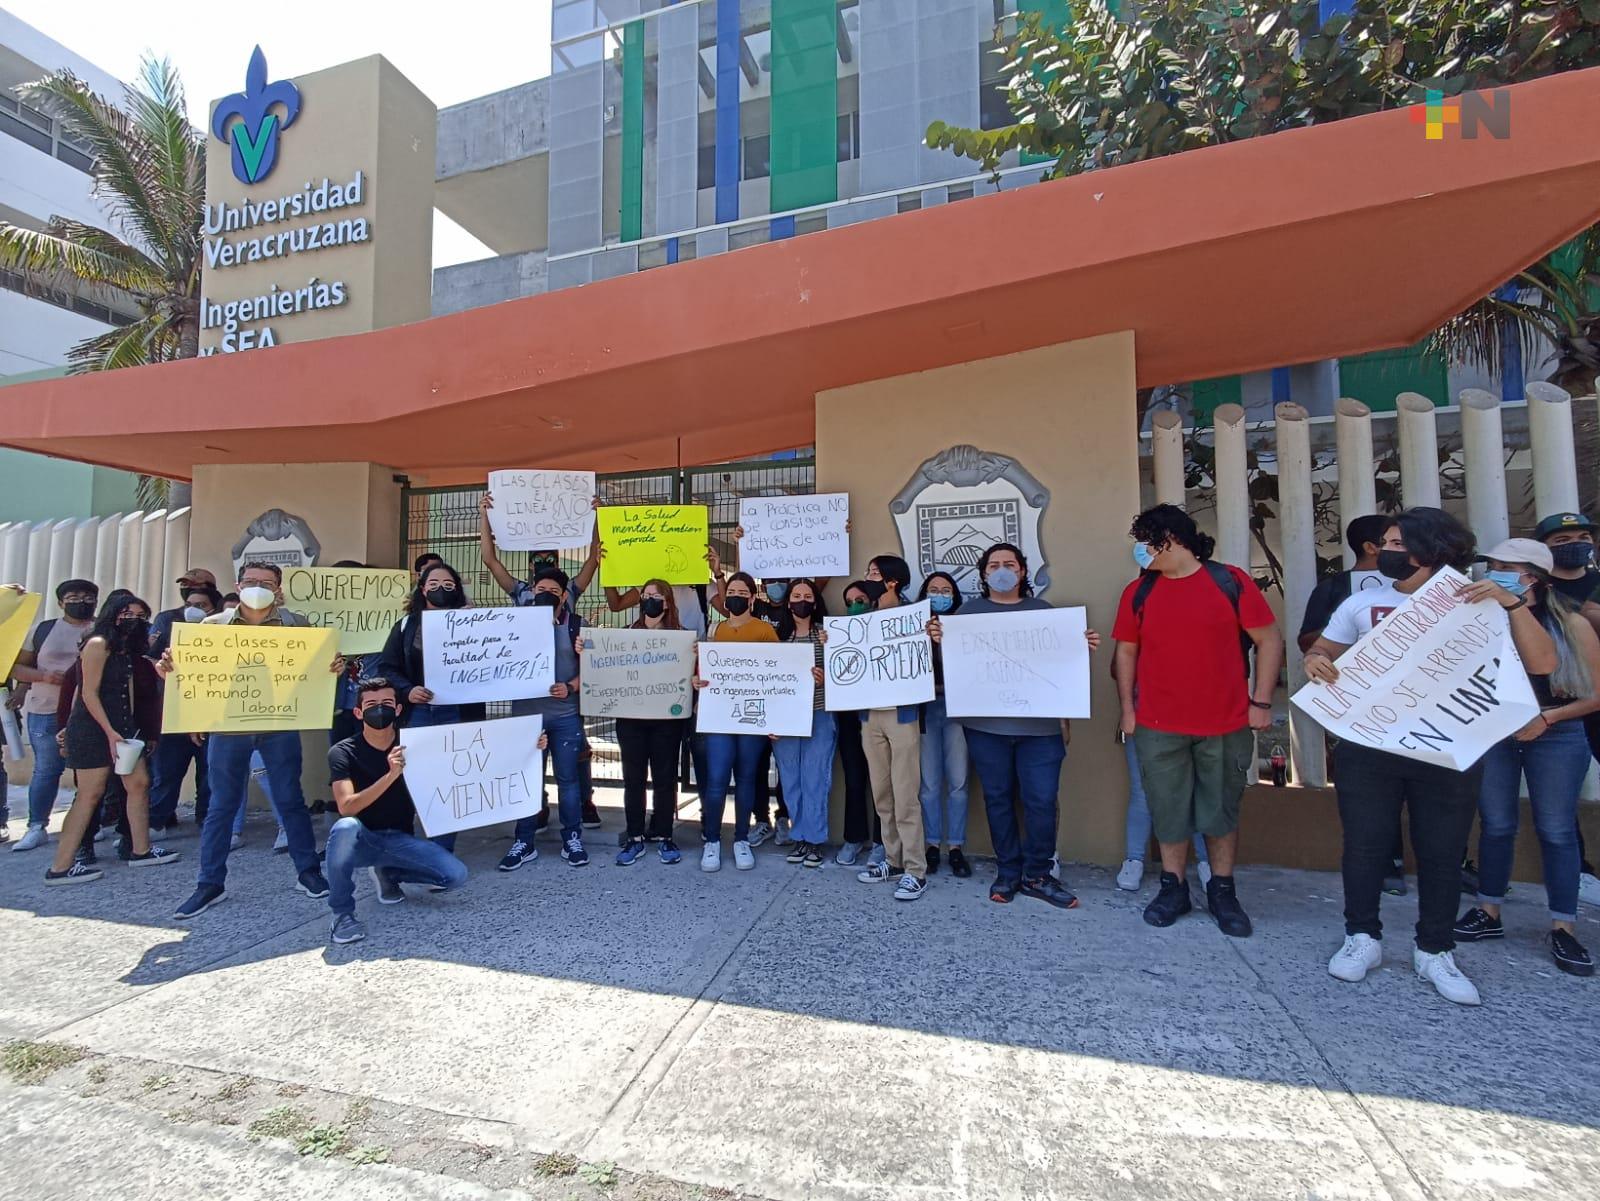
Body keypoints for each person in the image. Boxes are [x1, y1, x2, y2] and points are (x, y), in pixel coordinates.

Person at [1305, 508, 1557, 1006]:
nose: (1388, 551)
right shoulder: (1364, 602)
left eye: (1398, 543)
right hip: (1369, 745)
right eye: (1387, 542)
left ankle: (1435, 949)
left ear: (1431, 549)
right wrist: (1315, 660)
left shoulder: (1481, 605)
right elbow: (1323, 651)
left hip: (1447, 747)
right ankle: (1362, 938)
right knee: (1365, 845)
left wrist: (1512, 605)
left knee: (1442, 851)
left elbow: (1544, 662)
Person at [1113, 507, 1281, 938]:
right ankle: (1174, 888)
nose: (1142, 550)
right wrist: (1128, 712)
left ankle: (1223, 892)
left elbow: (1268, 640)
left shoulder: (1230, 582)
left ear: (1171, 539)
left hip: (1224, 723)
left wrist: (1260, 701)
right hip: (1157, 724)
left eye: (1147, 540)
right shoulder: (1138, 592)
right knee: (1168, 810)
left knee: (1220, 810)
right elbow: (1126, 652)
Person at [1451, 539, 1599, 976]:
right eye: (1491, 565)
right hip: (1497, 733)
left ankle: (1564, 926)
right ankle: (1489, 911)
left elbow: (1595, 695)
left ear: (1532, 577)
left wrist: (1548, 720)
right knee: (1496, 824)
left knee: (1556, 829)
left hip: (1558, 733)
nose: (1492, 572)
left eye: (1504, 566)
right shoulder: (1480, 618)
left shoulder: (1572, 623)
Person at [932, 544, 1100, 908]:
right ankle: (1008, 872)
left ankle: (1038, 874)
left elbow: (1061, 670)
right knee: (998, 800)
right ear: (983, 574)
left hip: (1040, 732)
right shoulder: (967, 614)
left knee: (1040, 801)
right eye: (994, 565)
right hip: (986, 729)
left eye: (1009, 564)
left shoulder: (1044, 613)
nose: (1002, 570)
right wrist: (938, 641)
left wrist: (1078, 646)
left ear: (1023, 572)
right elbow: (954, 668)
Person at [169, 562, 339, 920]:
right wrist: (173, 670)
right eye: (251, 581)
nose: (258, 587)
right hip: (228, 728)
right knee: (221, 807)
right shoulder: (212, 627)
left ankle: (308, 872)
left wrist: (332, 666)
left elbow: (315, 669)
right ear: (238, 585)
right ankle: (209, 883)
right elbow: (195, 671)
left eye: (266, 583)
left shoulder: (297, 626)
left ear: (278, 589)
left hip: (279, 725)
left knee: (291, 799)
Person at [1296, 515, 1408, 896]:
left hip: (1417, 703)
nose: (1401, 549)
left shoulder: (1428, 590)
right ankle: (1383, 862)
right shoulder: (1336, 589)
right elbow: (1308, 639)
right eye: (1392, 542)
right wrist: (1347, 634)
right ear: (1371, 547)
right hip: (1355, 705)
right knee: (1370, 791)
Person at [480, 493, 605, 831]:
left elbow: (593, 560)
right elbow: (491, 561)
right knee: (529, 762)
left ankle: (581, 805)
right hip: (528, 701)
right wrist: (486, 516)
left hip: (565, 692)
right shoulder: (522, 594)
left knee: (575, 753)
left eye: (550, 560)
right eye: (538, 565)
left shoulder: (571, 595)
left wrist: (597, 518)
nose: (544, 585)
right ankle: (534, 812)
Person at [323, 678, 472, 945]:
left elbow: (468, 761)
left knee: (455, 876)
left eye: (387, 704)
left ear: (399, 709)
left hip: (400, 839)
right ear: (358, 712)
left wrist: (530, 745)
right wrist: (392, 775)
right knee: (344, 828)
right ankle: (342, 915)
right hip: (362, 838)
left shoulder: (416, 744)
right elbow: (347, 807)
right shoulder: (343, 752)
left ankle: (389, 873)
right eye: (371, 705)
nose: (379, 709)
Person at [44, 594, 179, 883]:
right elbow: (88, 693)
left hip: (124, 727)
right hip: (93, 728)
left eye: (140, 615)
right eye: (127, 613)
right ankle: (60, 866)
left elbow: (135, 687)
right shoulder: (97, 644)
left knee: (139, 784)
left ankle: (140, 850)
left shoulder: (126, 652)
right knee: (90, 794)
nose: (133, 619)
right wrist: (109, 733)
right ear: (112, 614)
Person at [1113, 544, 1210, 893]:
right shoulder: (1136, 600)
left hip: (1197, 717)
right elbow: (1119, 664)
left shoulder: (1208, 599)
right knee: (1144, 792)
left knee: (1195, 792)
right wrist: (1128, 710)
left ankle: (1206, 864)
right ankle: (1135, 859)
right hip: (1145, 717)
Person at [590, 579, 686, 866]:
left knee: (665, 779)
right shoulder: (625, 636)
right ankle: (634, 837)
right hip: (631, 720)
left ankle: (664, 836)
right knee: (633, 780)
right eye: (645, 595)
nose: (650, 600)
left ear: (667, 602)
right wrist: (587, 648)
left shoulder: (681, 637)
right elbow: (602, 660)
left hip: (666, 720)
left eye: (656, 596)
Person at [1532, 511, 1600, 908]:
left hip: (1594, 698)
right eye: (1561, 540)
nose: (1573, 544)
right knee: (1559, 798)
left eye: (1580, 536)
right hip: (1556, 708)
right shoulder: (1537, 590)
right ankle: (1579, 869)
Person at [854, 555, 928, 902]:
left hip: (902, 716)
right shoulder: (860, 620)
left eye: (873, 574)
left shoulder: (916, 617)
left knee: (905, 794)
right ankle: (893, 860)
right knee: (882, 794)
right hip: (870, 716)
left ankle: (916, 869)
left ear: (892, 582)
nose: (867, 579)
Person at [692, 572, 777, 872]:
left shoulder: (765, 631)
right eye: (733, 591)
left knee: (746, 779)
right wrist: (696, 680)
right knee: (716, 781)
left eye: (743, 592)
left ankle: (741, 838)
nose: (737, 596)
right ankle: (712, 841)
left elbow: (779, 675)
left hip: (752, 719)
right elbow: (702, 674)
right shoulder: (714, 632)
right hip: (719, 717)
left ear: (752, 598)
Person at [8, 578, 98, 853]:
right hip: (46, 708)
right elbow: (16, 668)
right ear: (60, 602)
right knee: (47, 769)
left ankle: (86, 827)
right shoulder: (42, 630)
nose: (80, 601)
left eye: (86, 596)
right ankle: (37, 826)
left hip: (89, 709)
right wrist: (43, 677)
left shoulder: (102, 629)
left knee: (89, 772)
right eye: (72, 596)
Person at [146, 583, 225, 837]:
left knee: (209, 774)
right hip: (176, 714)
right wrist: (163, 667)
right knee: (167, 771)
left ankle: (206, 820)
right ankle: (156, 822)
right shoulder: (170, 633)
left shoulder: (226, 635)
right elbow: (152, 663)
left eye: (201, 606)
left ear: (214, 609)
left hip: (213, 715)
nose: (194, 610)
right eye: (189, 605)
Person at [771, 579, 834, 868]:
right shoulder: (776, 637)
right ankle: (799, 836)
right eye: (796, 595)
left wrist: (827, 677)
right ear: (788, 601)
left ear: (815, 601)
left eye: (808, 596)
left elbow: (848, 672)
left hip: (819, 713)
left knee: (816, 778)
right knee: (791, 780)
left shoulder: (827, 634)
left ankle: (815, 840)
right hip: (785, 719)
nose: (802, 600)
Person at [916, 571, 970, 878]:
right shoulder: (911, 627)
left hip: (958, 710)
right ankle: (933, 845)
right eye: (933, 589)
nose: (940, 594)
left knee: (959, 782)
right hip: (926, 711)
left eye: (946, 590)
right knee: (930, 785)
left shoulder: (966, 625)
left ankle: (957, 847)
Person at [832, 579, 884, 867]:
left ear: (873, 601)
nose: (855, 605)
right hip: (849, 715)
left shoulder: (887, 629)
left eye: (861, 599)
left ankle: (881, 841)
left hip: (879, 714)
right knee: (854, 779)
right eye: (849, 601)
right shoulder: (838, 632)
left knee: (881, 781)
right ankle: (853, 838)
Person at [147, 567, 220, 661]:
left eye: (193, 584)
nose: (186, 587)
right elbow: (155, 655)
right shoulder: (167, 618)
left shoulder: (225, 618)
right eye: (183, 584)